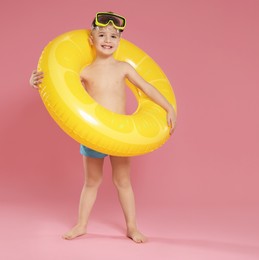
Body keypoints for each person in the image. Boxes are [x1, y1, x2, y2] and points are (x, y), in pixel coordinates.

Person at [29, 12, 176, 243]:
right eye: (102, 34)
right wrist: (34, 81)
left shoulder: (123, 68)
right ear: (91, 39)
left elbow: (147, 87)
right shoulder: (84, 72)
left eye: (114, 36)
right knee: (91, 182)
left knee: (123, 182)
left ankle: (132, 227)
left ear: (119, 41)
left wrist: (168, 107)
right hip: (94, 135)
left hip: (121, 135)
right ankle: (81, 225)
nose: (108, 39)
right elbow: (60, 89)